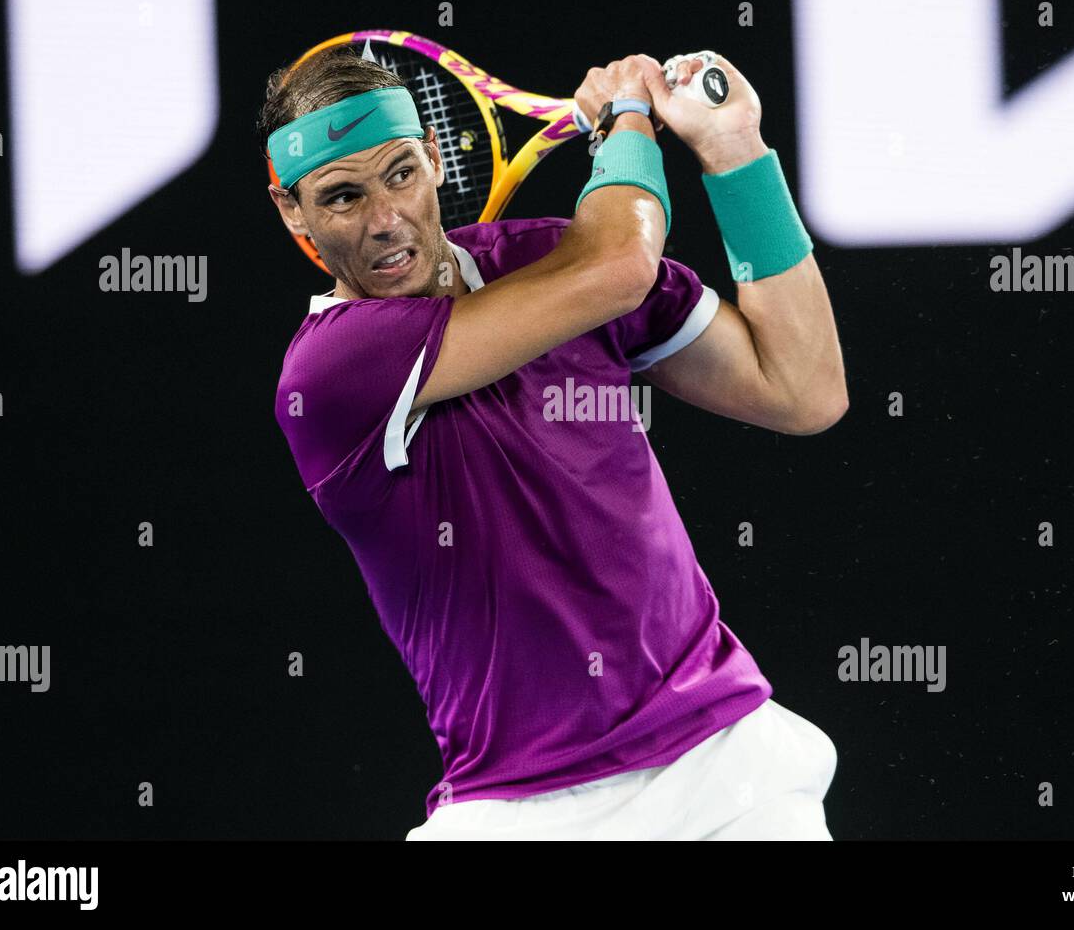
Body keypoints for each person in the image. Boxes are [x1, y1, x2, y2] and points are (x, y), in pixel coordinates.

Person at [261, 45, 848, 839]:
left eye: (401, 172)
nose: (385, 220)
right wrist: (627, 120)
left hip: (726, 769)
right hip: (520, 811)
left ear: (435, 158)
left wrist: (734, 150)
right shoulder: (330, 370)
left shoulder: (546, 257)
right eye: (341, 197)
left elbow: (802, 387)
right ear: (291, 211)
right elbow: (619, 265)